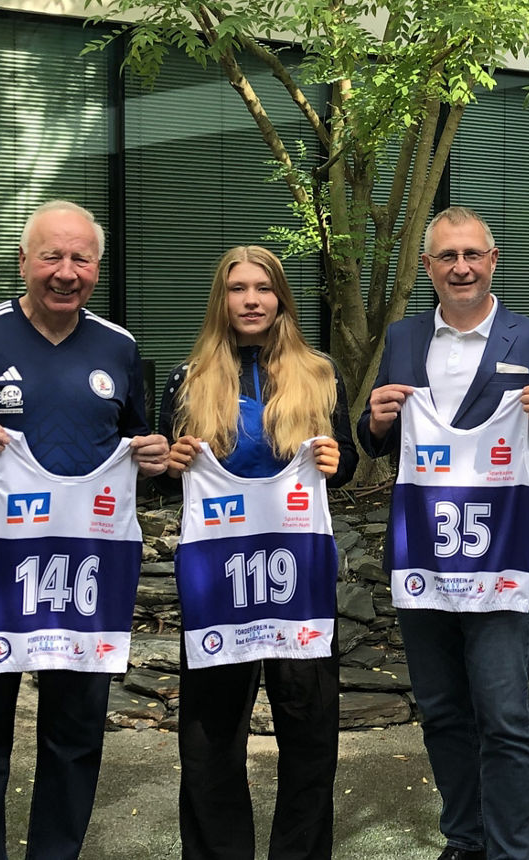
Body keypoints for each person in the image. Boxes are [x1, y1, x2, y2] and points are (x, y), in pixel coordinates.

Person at [0, 200, 169, 859]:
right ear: (24, 261)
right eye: (51, 255)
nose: (65, 271)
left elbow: (134, 441)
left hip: (84, 582)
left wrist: (156, 455)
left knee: (74, 741)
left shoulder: (119, 347)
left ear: (97, 269)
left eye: (80, 258)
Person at [357, 206, 529, 860]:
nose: (460, 267)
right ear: (428, 267)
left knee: (505, 718)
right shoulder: (402, 341)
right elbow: (372, 439)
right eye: (446, 257)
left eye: (472, 255)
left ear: (492, 261)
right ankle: (463, 839)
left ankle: (508, 850)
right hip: (423, 561)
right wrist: (373, 423)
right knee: (440, 711)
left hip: (501, 563)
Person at [159, 245, 358, 860]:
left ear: (281, 298)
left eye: (264, 288)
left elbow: (346, 460)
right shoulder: (188, 379)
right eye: (238, 288)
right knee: (210, 738)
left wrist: (337, 459)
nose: (251, 300)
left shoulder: (321, 374)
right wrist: (169, 464)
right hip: (218, 583)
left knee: (310, 733)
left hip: (297, 582)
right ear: (223, 300)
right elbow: (165, 474)